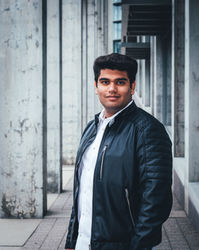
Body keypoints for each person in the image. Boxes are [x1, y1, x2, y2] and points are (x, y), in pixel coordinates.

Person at [65, 53, 172, 250]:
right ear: (96, 87)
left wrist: (139, 245)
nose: (112, 89)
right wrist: (71, 241)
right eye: (105, 82)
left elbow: (157, 199)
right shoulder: (92, 128)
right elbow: (82, 192)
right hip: (84, 242)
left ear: (132, 86)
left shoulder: (147, 130)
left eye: (120, 82)